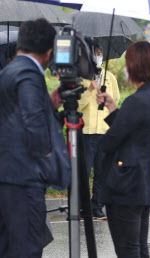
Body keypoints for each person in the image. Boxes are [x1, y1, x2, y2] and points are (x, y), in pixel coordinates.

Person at [0, 19, 71, 258]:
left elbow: (15, 117)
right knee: (27, 250)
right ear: (50, 52)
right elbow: (32, 122)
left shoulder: (9, 71)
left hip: (7, 180)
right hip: (23, 182)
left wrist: (48, 104)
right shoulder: (29, 74)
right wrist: (50, 160)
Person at [96, 41, 150, 258]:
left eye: (128, 63)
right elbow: (134, 134)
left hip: (125, 185)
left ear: (135, 65)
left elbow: (111, 141)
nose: (125, 68)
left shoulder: (136, 100)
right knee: (138, 247)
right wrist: (113, 108)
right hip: (144, 182)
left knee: (127, 250)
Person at [78, 41, 120, 219]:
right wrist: (89, 90)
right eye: (95, 52)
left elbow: (115, 102)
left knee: (102, 171)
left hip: (104, 131)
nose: (98, 55)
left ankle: (97, 206)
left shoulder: (110, 77)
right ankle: (83, 206)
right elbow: (77, 105)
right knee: (84, 171)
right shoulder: (82, 77)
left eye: (100, 52)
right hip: (87, 132)